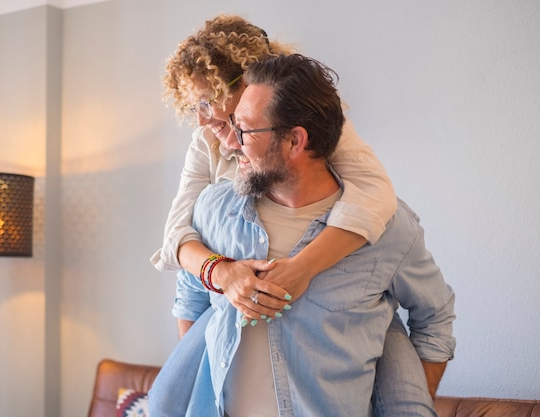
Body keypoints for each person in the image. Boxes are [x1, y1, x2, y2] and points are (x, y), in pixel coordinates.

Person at [151, 53, 455, 417]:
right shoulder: (214, 210)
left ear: (295, 141)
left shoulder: (389, 228)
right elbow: (190, 298)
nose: (231, 144)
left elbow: (434, 318)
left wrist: (404, 404)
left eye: (245, 130)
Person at [150, 14, 397, 332]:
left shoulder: (308, 127)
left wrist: (302, 268)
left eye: (207, 102)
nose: (200, 119)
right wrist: (222, 273)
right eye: (192, 106)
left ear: (246, 84)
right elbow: (178, 234)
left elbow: (374, 192)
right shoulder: (206, 144)